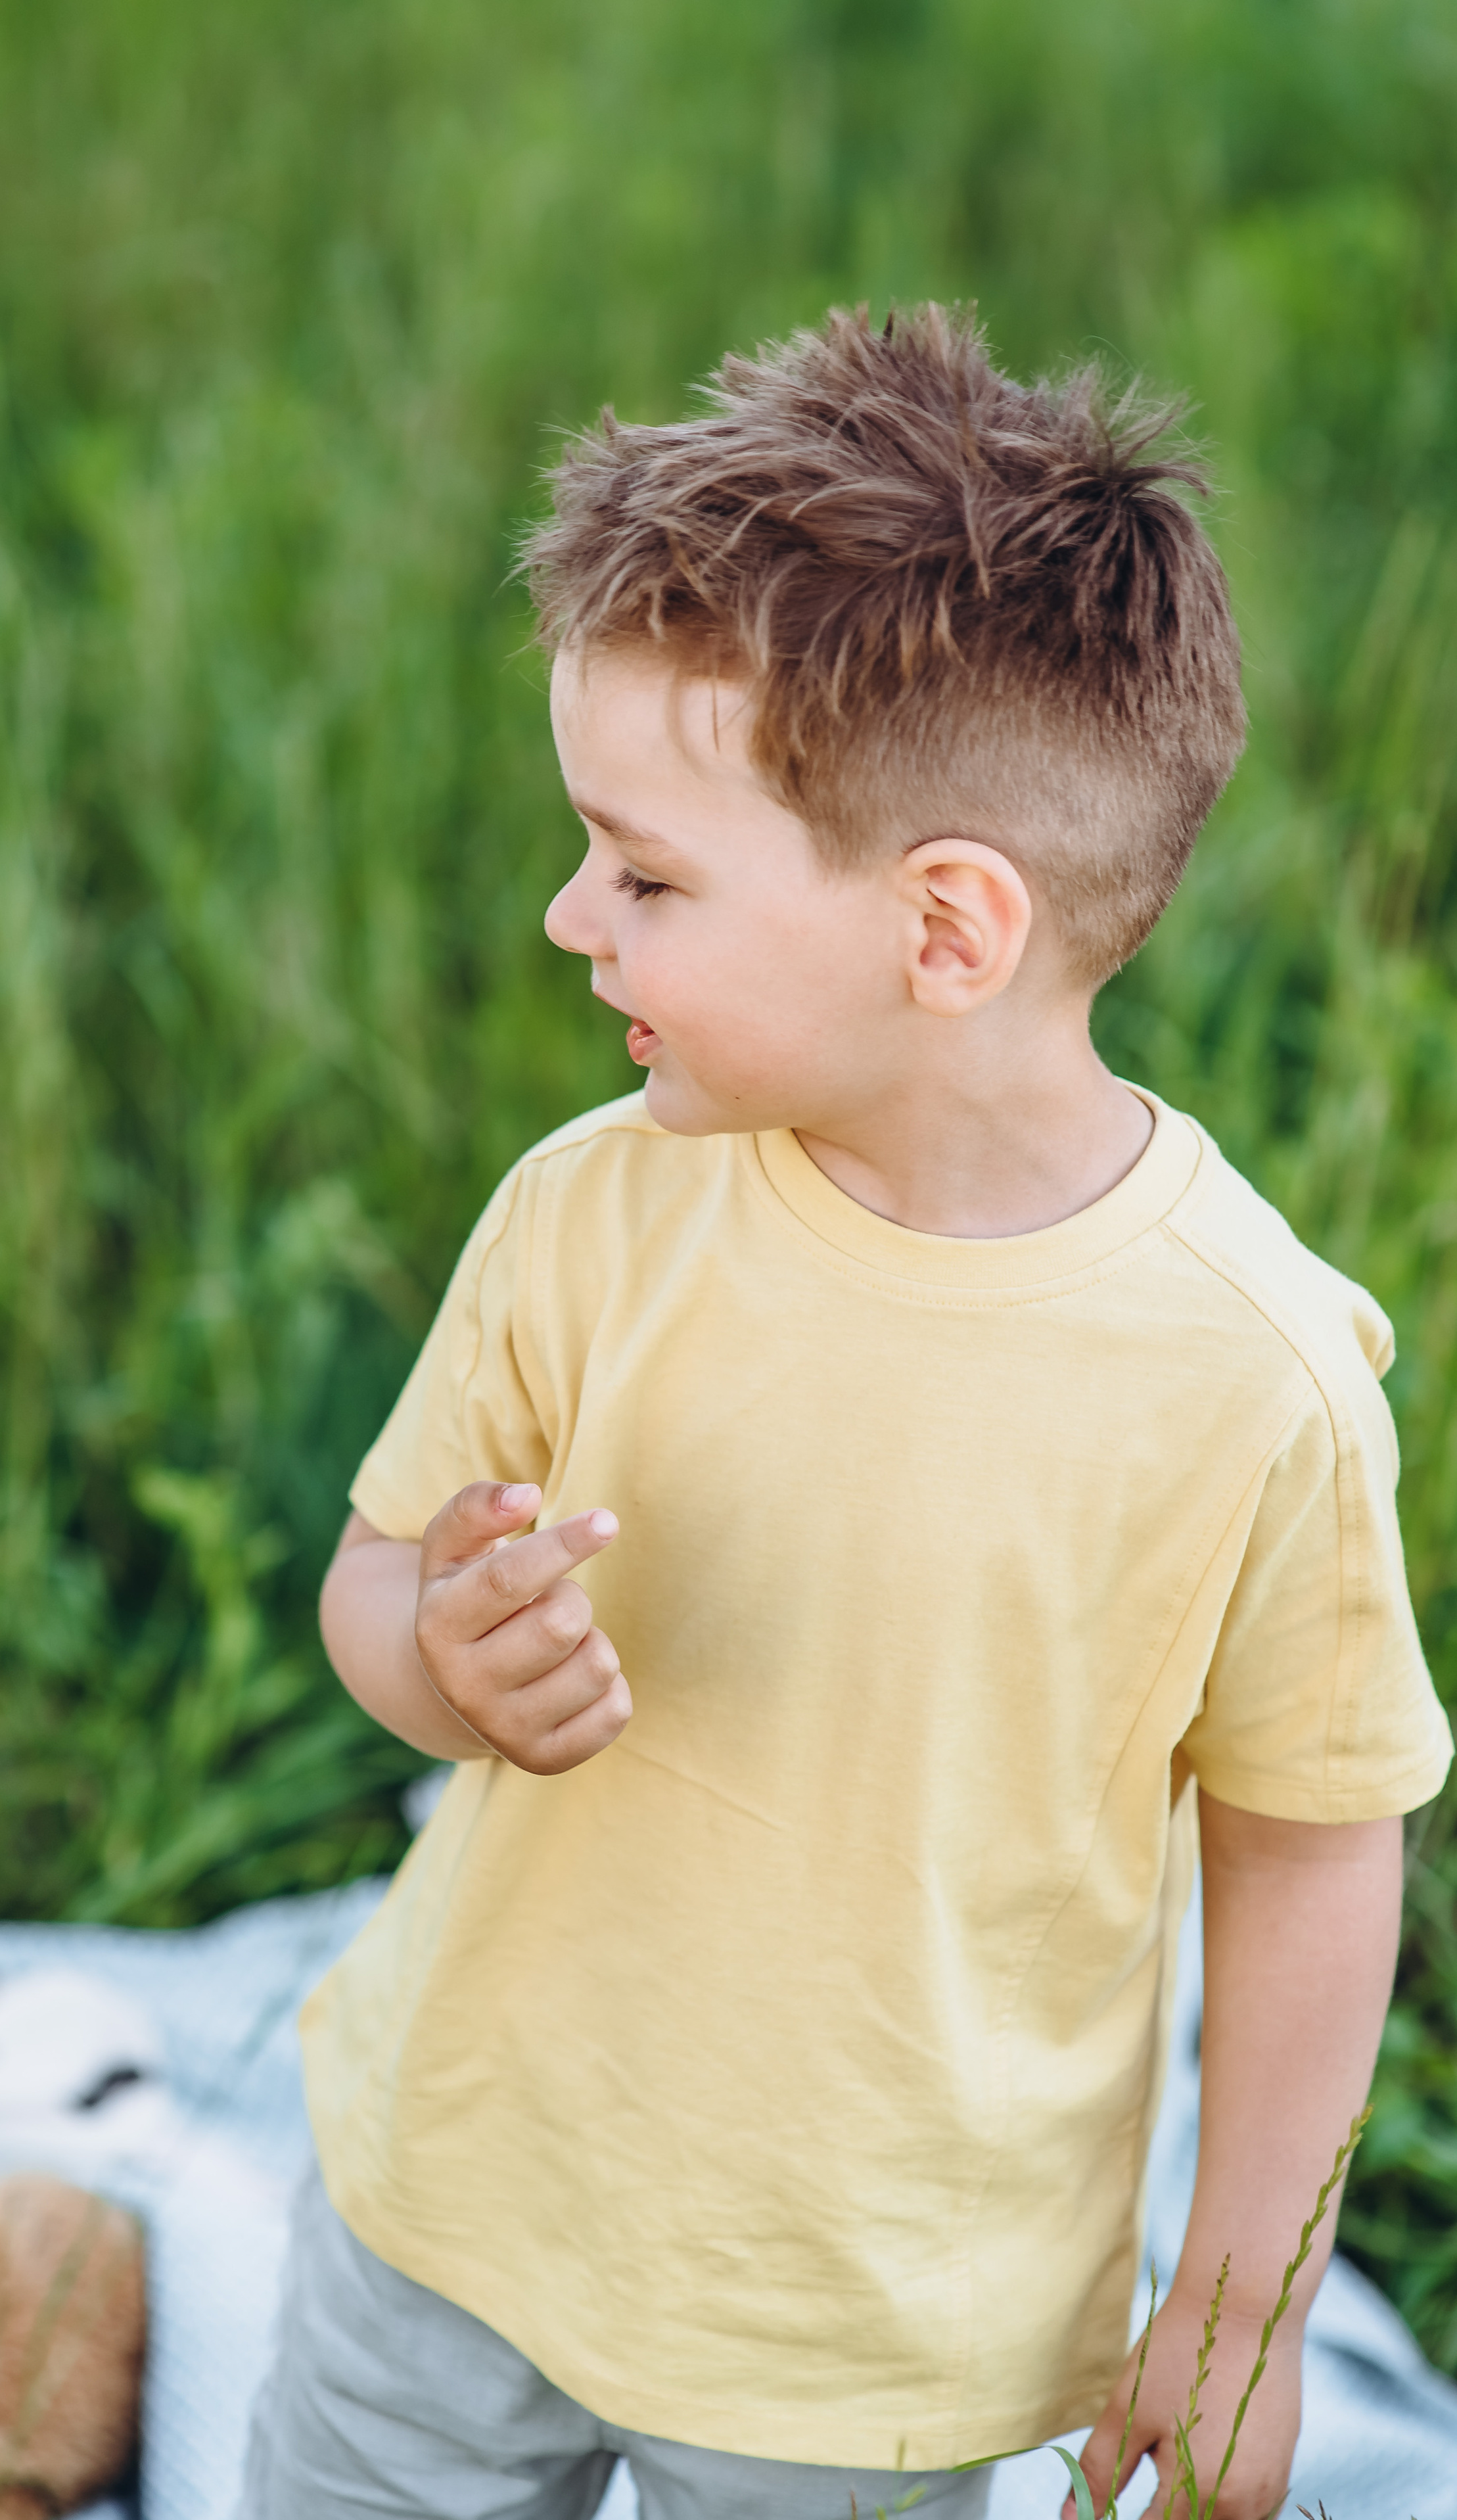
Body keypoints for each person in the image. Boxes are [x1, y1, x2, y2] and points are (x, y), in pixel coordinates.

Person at [243, 305, 1452, 2520]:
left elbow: (1308, 1843)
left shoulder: (1250, 1380)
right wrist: (441, 1653)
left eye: (646, 873)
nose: (563, 914)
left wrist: (1242, 2289)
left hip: (863, 2339)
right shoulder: (591, 1214)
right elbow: (373, 1577)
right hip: (453, 2209)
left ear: (950, 929)